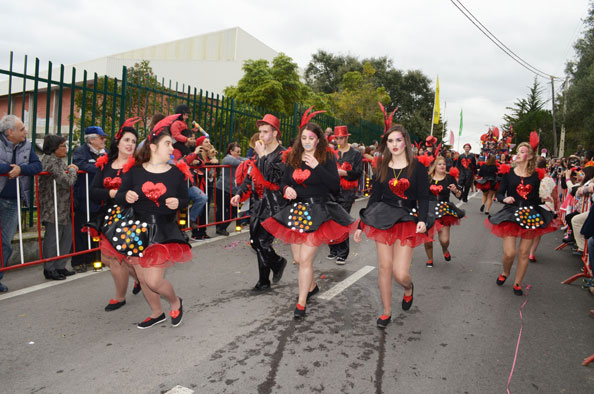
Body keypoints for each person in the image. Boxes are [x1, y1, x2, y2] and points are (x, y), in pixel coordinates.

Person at [262, 109, 356, 318]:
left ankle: (301, 303)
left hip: (318, 211)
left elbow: (334, 186)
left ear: (318, 140)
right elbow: (284, 181)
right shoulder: (293, 157)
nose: (307, 141)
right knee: (298, 258)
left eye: (311, 138)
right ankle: (311, 286)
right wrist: (286, 189)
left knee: (305, 260)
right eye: (303, 138)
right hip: (296, 212)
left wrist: (317, 167)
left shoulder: (326, 157)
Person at [109, 115, 192, 329]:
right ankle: (157, 312)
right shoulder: (135, 171)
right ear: (153, 146)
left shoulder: (176, 173)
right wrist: (126, 197)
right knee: (143, 279)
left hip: (163, 230)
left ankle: (175, 301)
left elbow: (186, 199)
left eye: (172, 145)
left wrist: (178, 203)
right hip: (136, 229)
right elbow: (120, 194)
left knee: (154, 280)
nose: (172, 149)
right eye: (167, 144)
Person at [354, 123, 430, 328]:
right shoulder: (382, 168)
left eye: (398, 140)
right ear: (386, 144)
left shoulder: (418, 168)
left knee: (400, 273)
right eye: (390, 141)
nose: (394, 144)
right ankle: (386, 312)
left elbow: (424, 197)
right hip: (383, 218)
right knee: (384, 267)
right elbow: (374, 198)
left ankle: (408, 288)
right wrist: (362, 224)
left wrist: (422, 219)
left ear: (405, 141)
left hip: (407, 219)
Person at [485, 135, 558, 296]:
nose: (518, 154)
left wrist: (544, 197)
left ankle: (518, 283)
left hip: (530, 214)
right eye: (517, 151)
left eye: (522, 151)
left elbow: (536, 196)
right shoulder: (508, 173)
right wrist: (505, 198)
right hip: (511, 214)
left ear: (530, 156)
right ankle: (505, 272)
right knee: (510, 253)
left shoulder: (536, 176)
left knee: (524, 253)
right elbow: (499, 195)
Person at [85, 118, 142, 311]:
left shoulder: (138, 166)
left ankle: (119, 297)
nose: (130, 144)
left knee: (117, 257)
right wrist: (112, 193)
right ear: (118, 142)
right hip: (109, 215)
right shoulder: (105, 165)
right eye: (127, 140)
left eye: (134, 141)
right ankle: (141, 279)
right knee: (112, 258)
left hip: (130, 217)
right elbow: (94, 191)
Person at [231, 114, 287, 292]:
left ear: (275, 133)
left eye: (265, 131)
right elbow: (250, 177)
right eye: (260, 131)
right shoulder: (257, 156)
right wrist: (239, 194)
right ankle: (277, 264)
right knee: (255, 241)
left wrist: (262, 155)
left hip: (275, 203)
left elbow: (273, 177)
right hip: (259, 202)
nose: (261, 135)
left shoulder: (283, 154)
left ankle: (265, 280)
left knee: (262, 241)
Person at [0, 115, 42, 292]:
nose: (26, 132)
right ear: (10, 132)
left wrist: (21, 169)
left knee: (5, 242)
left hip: (12, 200)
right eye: (22, 128)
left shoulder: (27, 144)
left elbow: (37, 166)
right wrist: (12, 169)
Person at [39, 135, 78, 280]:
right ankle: (49, 268)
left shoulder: (59, 161)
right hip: (53, 207)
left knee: (66, 236)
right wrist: (73, 170)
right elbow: (67, 181)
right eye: (63, 146)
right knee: (53, 238)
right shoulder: (49, 161)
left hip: (63, 206)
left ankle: (60, 266)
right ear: (54, 148)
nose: (65, 148)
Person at [71, 126, 107, 272]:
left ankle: (95, 258)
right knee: (81, 229)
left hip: (100, 197)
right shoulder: (81, 151)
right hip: (84, 197)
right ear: (92, 139)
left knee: (97, 229)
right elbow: (82, 165)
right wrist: (101, 168)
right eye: (101, 138)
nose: (104, 140)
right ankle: (79, 261)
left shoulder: (106, 153)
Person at [326, 126, 362, 264]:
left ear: (347, 137)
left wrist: (345, 173)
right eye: (337, 138)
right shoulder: (331, 153)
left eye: (342, 137)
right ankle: (333, 248)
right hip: (332, 190)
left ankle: (342, 252)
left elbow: (358, 172)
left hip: (347, 191)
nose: (339, 140)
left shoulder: (356, 154)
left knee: (342, 219)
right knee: (330, 219)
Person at [423, 156, 464, 268]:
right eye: (440, 164)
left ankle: (445, 250)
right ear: (434, 166)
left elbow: (459, 195)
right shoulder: (428, 178)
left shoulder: (449, 178)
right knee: (427, 239)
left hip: (444, 211)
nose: (442, 166)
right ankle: (430, 259)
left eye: (444, 164)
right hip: (429, 210)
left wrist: (456, 190)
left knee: (444, 240)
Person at [215, 142, 246, 236]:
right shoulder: (226, 159)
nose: (239, 154)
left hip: (233, 190)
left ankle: (222, 227)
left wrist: (246, 160)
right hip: (222, 188)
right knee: (222, 209)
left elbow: (245, 160)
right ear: (231, 151)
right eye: (237, 152)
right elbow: (238, 162)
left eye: (240, 152)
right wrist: (245, 161)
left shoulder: (238, 158)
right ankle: (219, 228)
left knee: (233, 211)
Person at [192, 136, 219, 240]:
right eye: (206, 142)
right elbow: (198, 165)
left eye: (209, 142)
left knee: (206, 208)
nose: (208, 143)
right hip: (200, 185)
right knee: (200, 207)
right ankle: (196, 232)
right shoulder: (198, 154)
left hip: (209, 184)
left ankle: (203, 231)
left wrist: (215, 161)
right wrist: (210, 163)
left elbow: (215, 169)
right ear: (200, 144)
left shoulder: (210, 155)